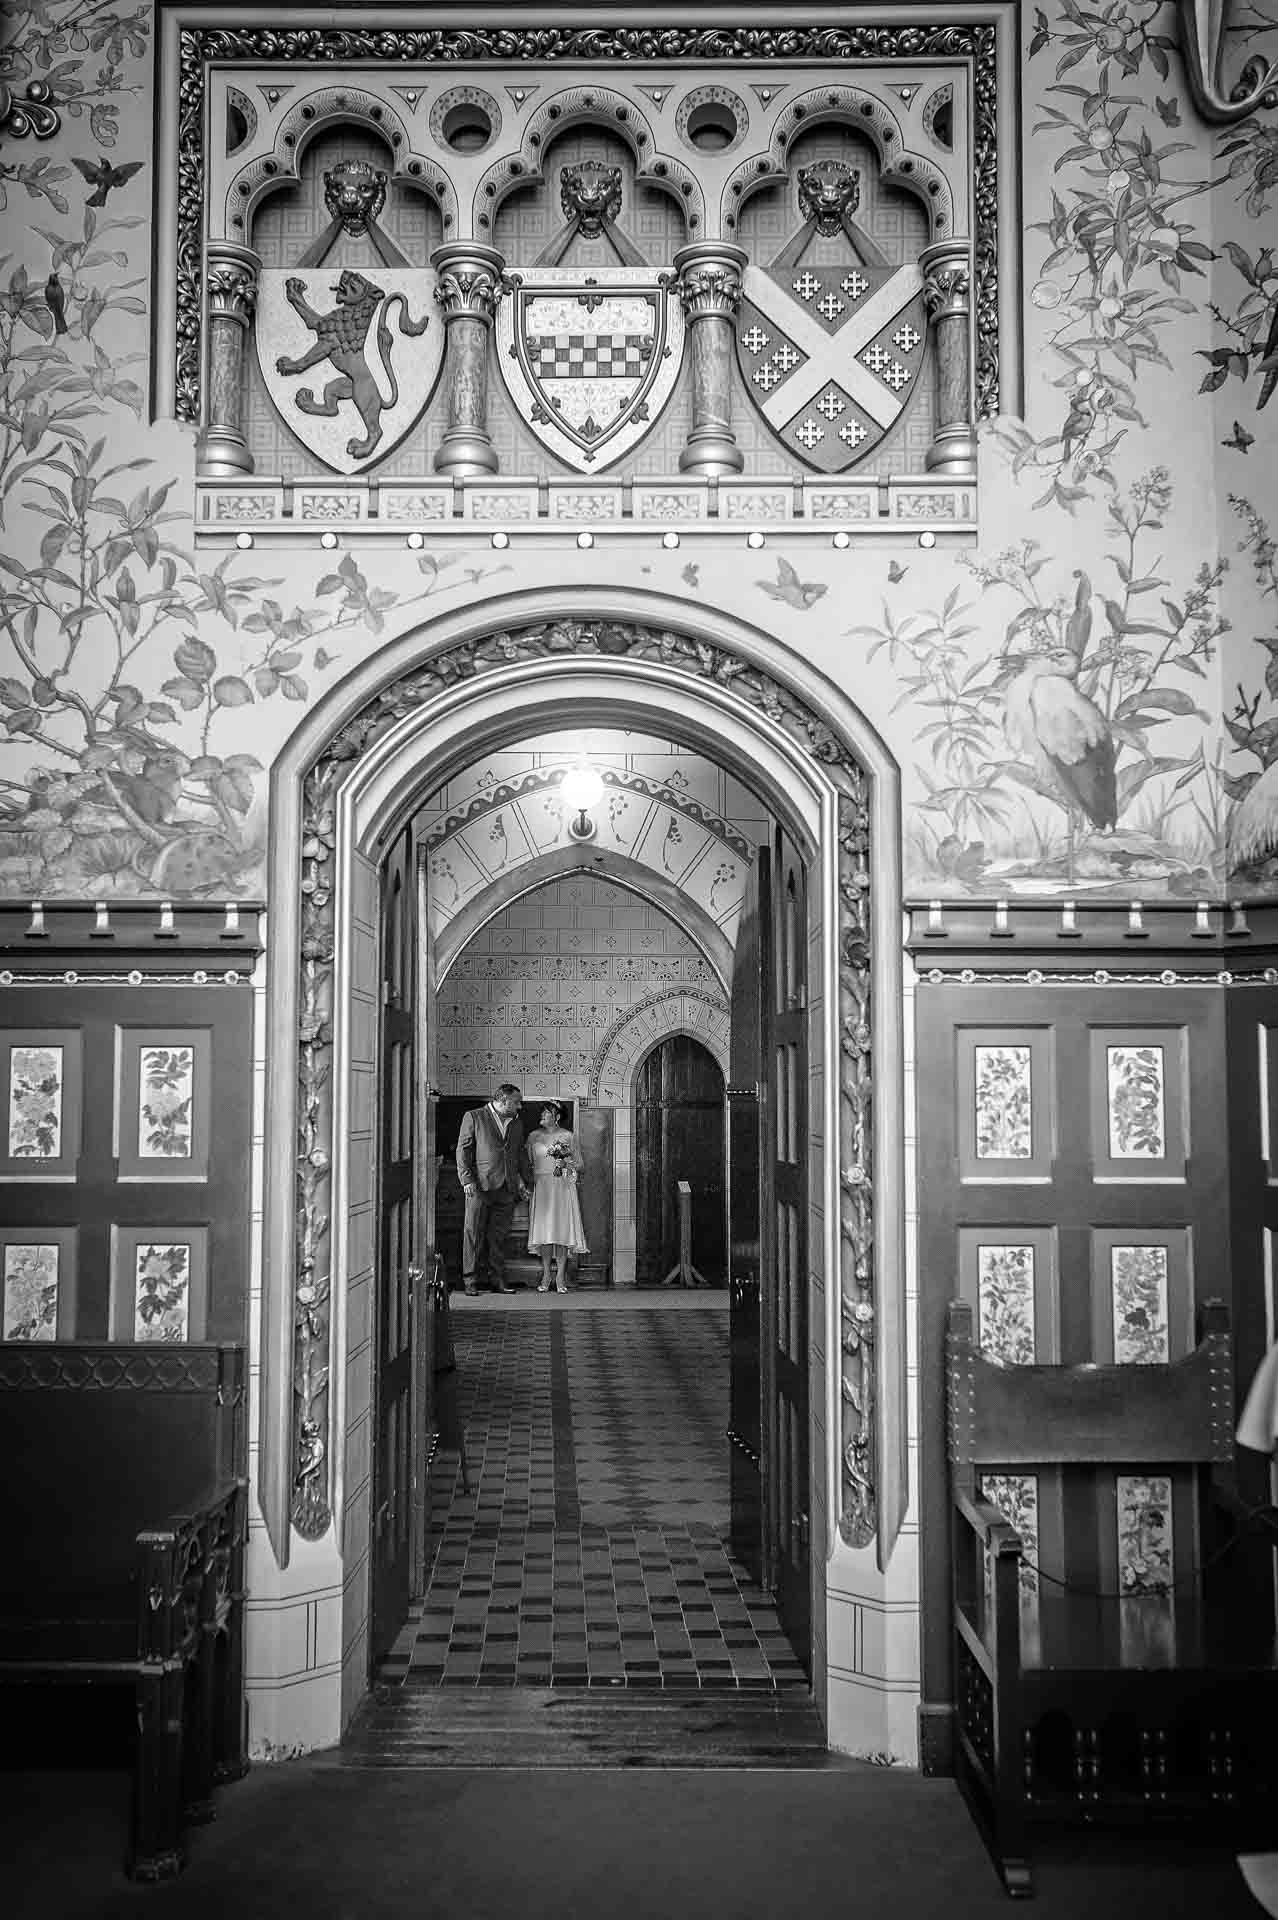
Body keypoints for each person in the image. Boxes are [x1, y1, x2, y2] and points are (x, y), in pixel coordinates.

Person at [455, 1083, 532, 1296]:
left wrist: (525, 1182)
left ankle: (497, 1280)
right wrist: (466, 1180)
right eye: (517, 1102)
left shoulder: (517, 1124)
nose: (520, 1107)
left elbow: (519, 1154)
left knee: (498, 1238)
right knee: (473, 1234)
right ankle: (470, 1281)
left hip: (506, 1189)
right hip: (479, 1187)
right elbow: (463, 1150)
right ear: (503, 1100)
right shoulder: (473, 1116)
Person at [525, 1101, 588, 1294]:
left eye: (547, 1112)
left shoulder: (568, 1136)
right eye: (542, 1112)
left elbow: (580, 1165)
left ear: (557, 1116)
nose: (542, 1115)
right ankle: (546, 1273)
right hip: (541, 1187)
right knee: (544, 1231)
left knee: (560, 1230)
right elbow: (526, 1163)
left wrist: (565, 1165)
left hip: (561, 1187)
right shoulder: (533, 1136)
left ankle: (560, 1274)